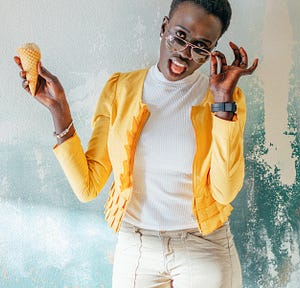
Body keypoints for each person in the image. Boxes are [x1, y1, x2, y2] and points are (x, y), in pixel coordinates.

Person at [14, 0, 258, 287]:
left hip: (203, 247)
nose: (185, 53)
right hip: (138, 248)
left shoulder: (225, 101)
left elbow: (225, 191)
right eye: (180, 35)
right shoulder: (120, 89)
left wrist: (223, 105)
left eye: (201, 46)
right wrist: (59, 110)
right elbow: (87, 186)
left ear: (212, 51)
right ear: (164, 27)